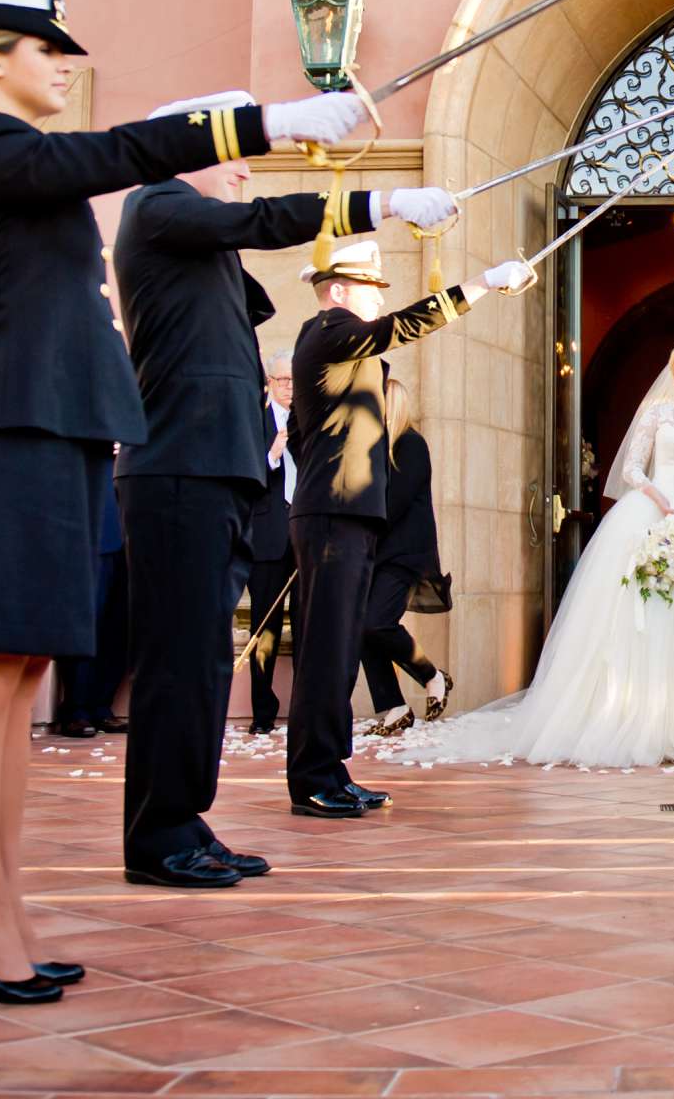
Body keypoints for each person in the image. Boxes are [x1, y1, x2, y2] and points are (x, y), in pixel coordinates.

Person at [0, 0, 381, 1003]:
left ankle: (0, 901)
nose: (62, 66)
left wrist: (363, 197)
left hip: (56, 429)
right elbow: (128, 150)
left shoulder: (32, 168)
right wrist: (272, 118)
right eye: (46, 51)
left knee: (19, 676)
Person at [112, 87, 457, 889]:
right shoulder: (156, 207)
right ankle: (160, 832)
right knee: (177, 662)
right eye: (227, 151)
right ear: (187, 149)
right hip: (176, 469)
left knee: (201, 660)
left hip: (216, 474)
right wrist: (387, 202)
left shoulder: (197, 242)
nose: (240, 168)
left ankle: (183, 820)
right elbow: (262, 219)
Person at [395, 338, 674, 768]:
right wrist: (658, 497)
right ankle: (638, 716)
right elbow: (633, 468)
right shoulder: (657, 413)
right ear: (673, 376)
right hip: (654, 508)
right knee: (640, 621)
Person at [287, 240, 527, 813]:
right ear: (340, 290)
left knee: (342, 650)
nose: (376, 301)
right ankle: (313, 779)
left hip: (350, 514)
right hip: (333, 515)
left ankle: (330, 769)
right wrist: (485, 281)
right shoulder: (327, 329)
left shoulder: (346, 347)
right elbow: (406, 325)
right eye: (370, 289)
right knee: (325, 653)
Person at [361, 380, 452, 735]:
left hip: (404, 553)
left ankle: (431, 676)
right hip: (378, 553)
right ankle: (393, 707)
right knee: (362, 629)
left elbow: (392, 505)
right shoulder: (375, 448)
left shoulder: (411, 445)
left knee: (376, 623)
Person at [243, 352, 294, 736]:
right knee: (265, 629)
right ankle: (263, 712)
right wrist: (273, 454)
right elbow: (244, 480)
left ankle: (308, 710)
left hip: (307, 537)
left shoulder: (315, 419)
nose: (290, 387)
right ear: (270, 385)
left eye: (295, 380)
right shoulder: (253, 422)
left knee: (311, 625)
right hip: (267, 539)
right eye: (283, 380)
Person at [56, 482, 128, 740]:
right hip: (99, 523)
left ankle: (102, 704)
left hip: (136, 526)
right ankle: (76, 708)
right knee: (89, 618)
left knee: (123, 625)